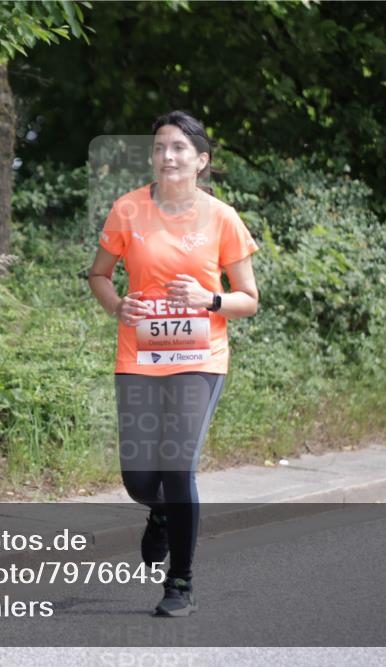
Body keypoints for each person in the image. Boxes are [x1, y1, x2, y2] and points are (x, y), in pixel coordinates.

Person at [87, 110, 260, 617]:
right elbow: (99, 276)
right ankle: (158, 512)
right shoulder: (127, 210)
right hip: (139, 355)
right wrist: (120, 305)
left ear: (201, 161)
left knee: (178, 467)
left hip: (199, 357)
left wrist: (210, 299)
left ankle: (179, 581)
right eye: (161, 146)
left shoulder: (222, 217)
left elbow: (248, 298)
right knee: (140, 480)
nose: (169, 155)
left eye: (180, 148)